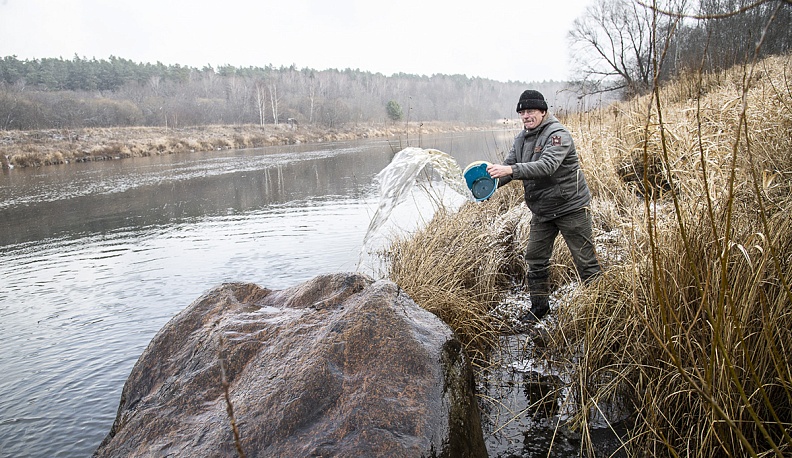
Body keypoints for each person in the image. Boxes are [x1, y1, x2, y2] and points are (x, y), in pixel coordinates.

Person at [487, 89, 601, 321]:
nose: (526, 116)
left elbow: (547, 166)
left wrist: (511, 170)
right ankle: (539, 309)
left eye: (530, 111)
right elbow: (509, 166)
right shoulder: (521, 138)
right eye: (522, 112)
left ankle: (602, 308)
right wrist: (489, 186)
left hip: (571, 207)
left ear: (543, 111)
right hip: (543, 210)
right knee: (535, 259)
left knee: (586, 262)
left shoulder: (557, 134)